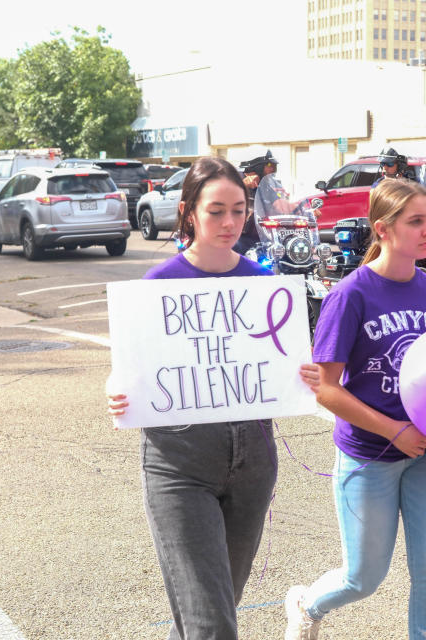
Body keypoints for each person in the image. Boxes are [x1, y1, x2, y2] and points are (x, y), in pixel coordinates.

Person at [106, 156, 318, 640]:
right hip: (179, 465)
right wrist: (116, 392)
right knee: (210, 623)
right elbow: (126, 372)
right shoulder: (158, 287)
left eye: (239, 211)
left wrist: (307, 376)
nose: (229, 223)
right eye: (216, 210)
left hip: (254, 466)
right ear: (189, 212)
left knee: (218, 604)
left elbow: (288, 369)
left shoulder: (265, 288)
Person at [285, 178, 426, 640]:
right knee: (362, 577)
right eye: (416, 221)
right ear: (382, 229)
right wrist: (393, 430)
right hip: (369, 454)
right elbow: (326, 387)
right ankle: (307, 605)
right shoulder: (351, 295)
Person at [234, 151, 279, 254]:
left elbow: (280, 204)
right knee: (234, 247)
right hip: (240, 236)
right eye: (269, 165)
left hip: (262, 237)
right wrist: (243, 184)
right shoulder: (235, 178)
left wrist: (301, 209)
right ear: (256, 166)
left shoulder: (265, 186)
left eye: (273, 166)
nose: (272, 169)